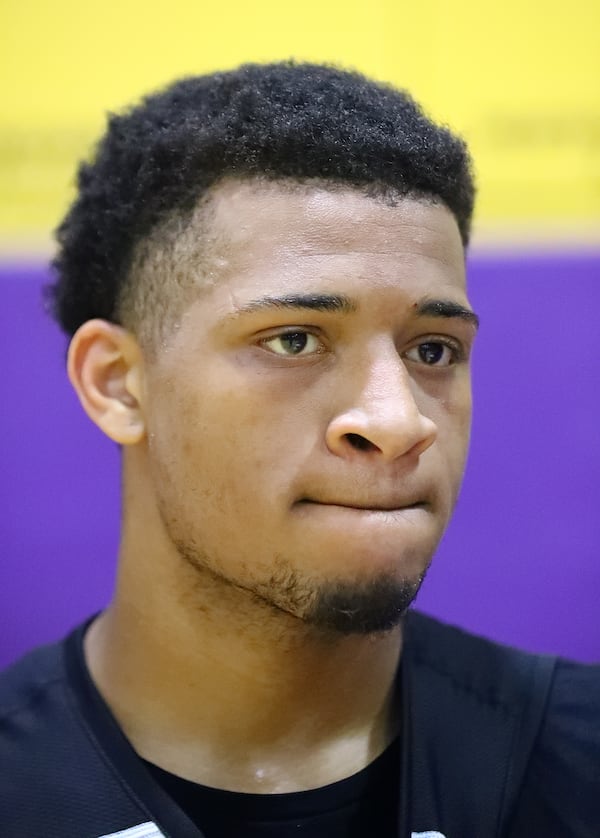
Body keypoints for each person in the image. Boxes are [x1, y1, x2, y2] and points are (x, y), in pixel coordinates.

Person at [0, 62, 597, 838]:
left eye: (434, 350)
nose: (398, 419)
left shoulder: (577, 760)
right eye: (294, 339)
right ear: (118, 384)